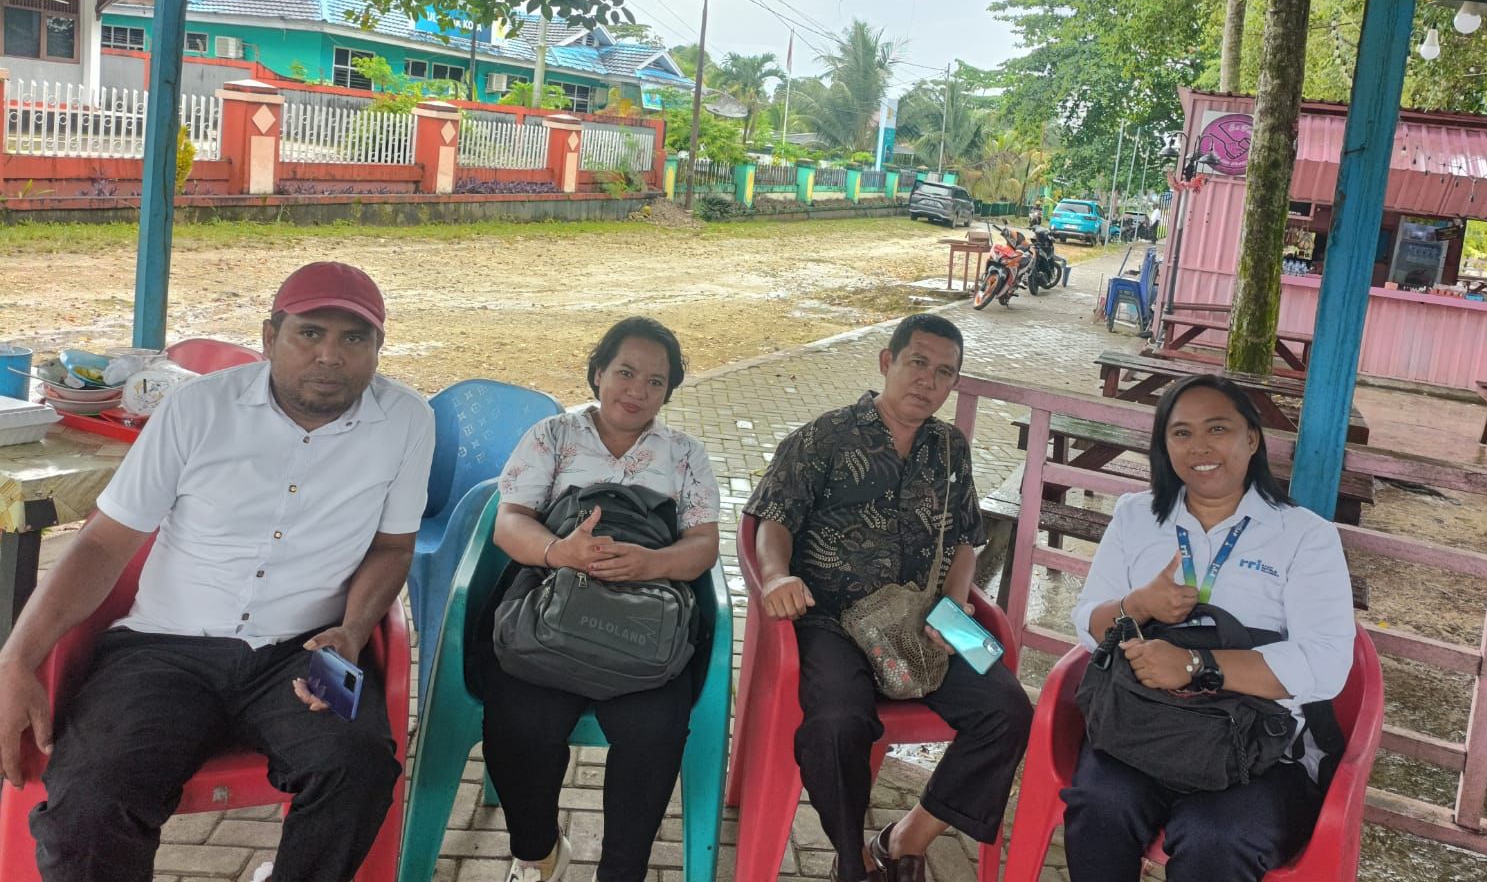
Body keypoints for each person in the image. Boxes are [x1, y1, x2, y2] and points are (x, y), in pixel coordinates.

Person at [0, 261, 434, 882]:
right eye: (310, 333)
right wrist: (16, 660)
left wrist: (353, 632)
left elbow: (392, 547)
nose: (330, 355)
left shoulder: (407, 420)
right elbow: (102, 544)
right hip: (164, 648)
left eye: (354, 338)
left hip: (303, 650)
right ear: (270, 337)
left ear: (377, 348)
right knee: (92, 799)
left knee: (357, 768)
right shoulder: (198, 408)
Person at [745, 313, 1033, 882]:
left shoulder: (950, 448)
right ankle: (852, 858)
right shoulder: (824, 436)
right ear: (887, 362)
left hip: (930, 615)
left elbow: (965, 540)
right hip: (832, 619)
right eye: (917, 362)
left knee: (1011, 709)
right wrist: (776, 576)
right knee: (836, 722)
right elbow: (773, 520)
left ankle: (906, 838)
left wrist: (954, 606)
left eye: (944, 372)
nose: (928, 380)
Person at [1064, 374, 1355, 882]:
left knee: (1215, 839)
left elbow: (1327, 663)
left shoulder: (1305, 536)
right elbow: (1089, 628)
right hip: (1142, 726)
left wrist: (1196, 665)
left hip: (1259, 748)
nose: (1199, 447)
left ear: (1252, 438)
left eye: (1218, 429)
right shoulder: (1136, 516)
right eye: (1181, 433)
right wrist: (1139, 604)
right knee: (1099, 807)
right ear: (1164, 445)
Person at [481, 317, 719, 882]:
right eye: (625, 373)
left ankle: (621, 871)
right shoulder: (553, 436)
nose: (637, 391)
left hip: (645, 626)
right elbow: (509, 522)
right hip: (551, 612)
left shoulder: (684, 454)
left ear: (668, 391)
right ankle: (539, 853)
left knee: (655, 729)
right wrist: (558, 552)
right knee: (518, 722)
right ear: (597, 374)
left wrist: (652, 563)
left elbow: (704, 545)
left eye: (656, 381)